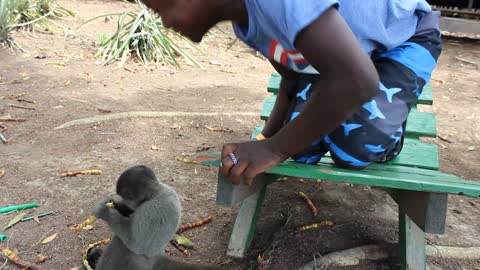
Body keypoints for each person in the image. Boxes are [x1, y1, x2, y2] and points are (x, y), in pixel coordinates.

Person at [141, 0, 442, 186]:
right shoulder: (245, 22)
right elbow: (291, 78)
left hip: (404, 38)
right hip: (344, 62)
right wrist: (264, 139)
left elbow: (357, 81)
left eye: (160, 8)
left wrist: (273, 150)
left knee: (354, 150)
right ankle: (357, 107)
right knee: (301, 149)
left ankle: (390, 135)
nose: (164, 22)